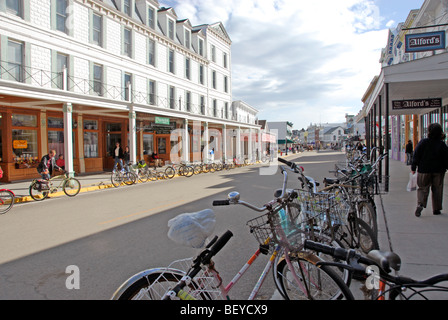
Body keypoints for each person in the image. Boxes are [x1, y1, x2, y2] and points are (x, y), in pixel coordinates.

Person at [411, 123, 448, 217]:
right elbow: (446, 158)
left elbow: (416, 154)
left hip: (424, 170)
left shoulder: (423, 142)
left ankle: (420, 204)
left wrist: (413, 167)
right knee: (437, 189)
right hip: (438, 170)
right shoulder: (442, 144)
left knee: (423, 188)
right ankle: (436, 209)